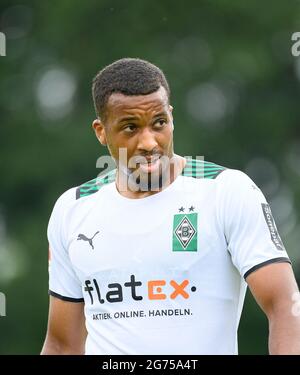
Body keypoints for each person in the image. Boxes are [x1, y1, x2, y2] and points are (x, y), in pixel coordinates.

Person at [41, 58, 300, 355]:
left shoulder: (227, 191)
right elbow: (63, 345)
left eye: (159, 123)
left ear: (171, 117)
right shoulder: (72, 210)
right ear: (101, 131)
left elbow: (285, 306)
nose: (149, 142)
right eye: (130, 127)